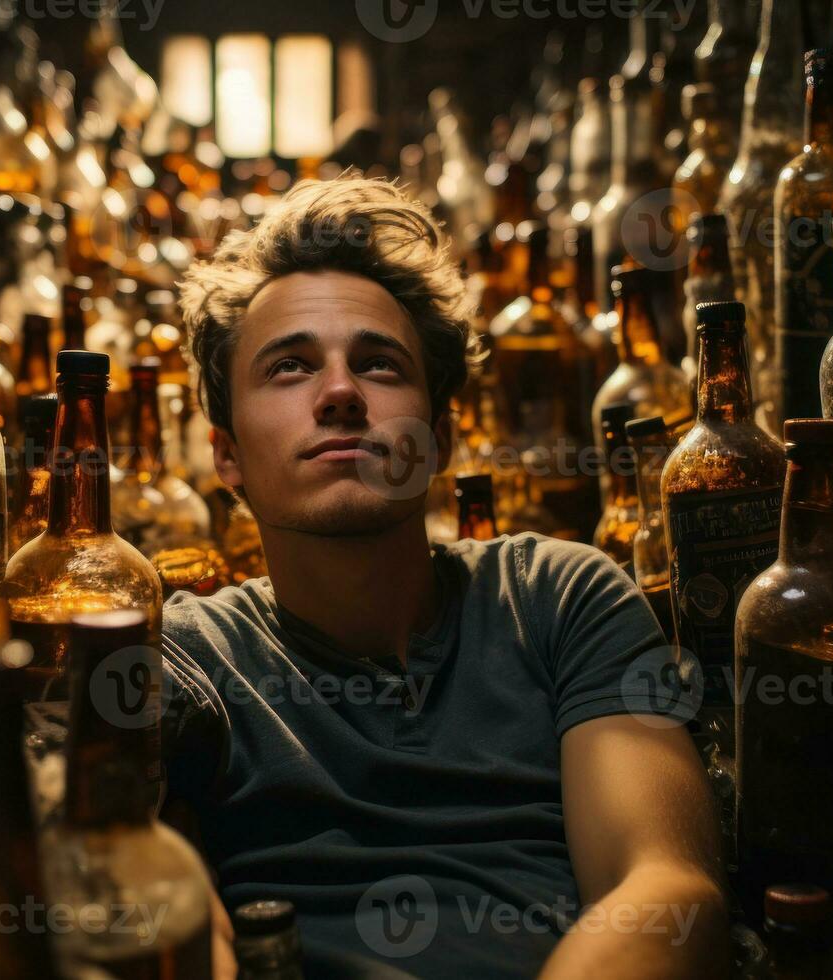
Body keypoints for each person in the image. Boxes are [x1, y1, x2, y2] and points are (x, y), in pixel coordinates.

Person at [165, 175, 726, 979]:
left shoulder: (556, 598)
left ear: (441, 436)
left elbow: (668, 889)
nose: (338, 395)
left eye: (378, 365)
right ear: (225, 455)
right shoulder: (190, 656)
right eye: (289, 367)